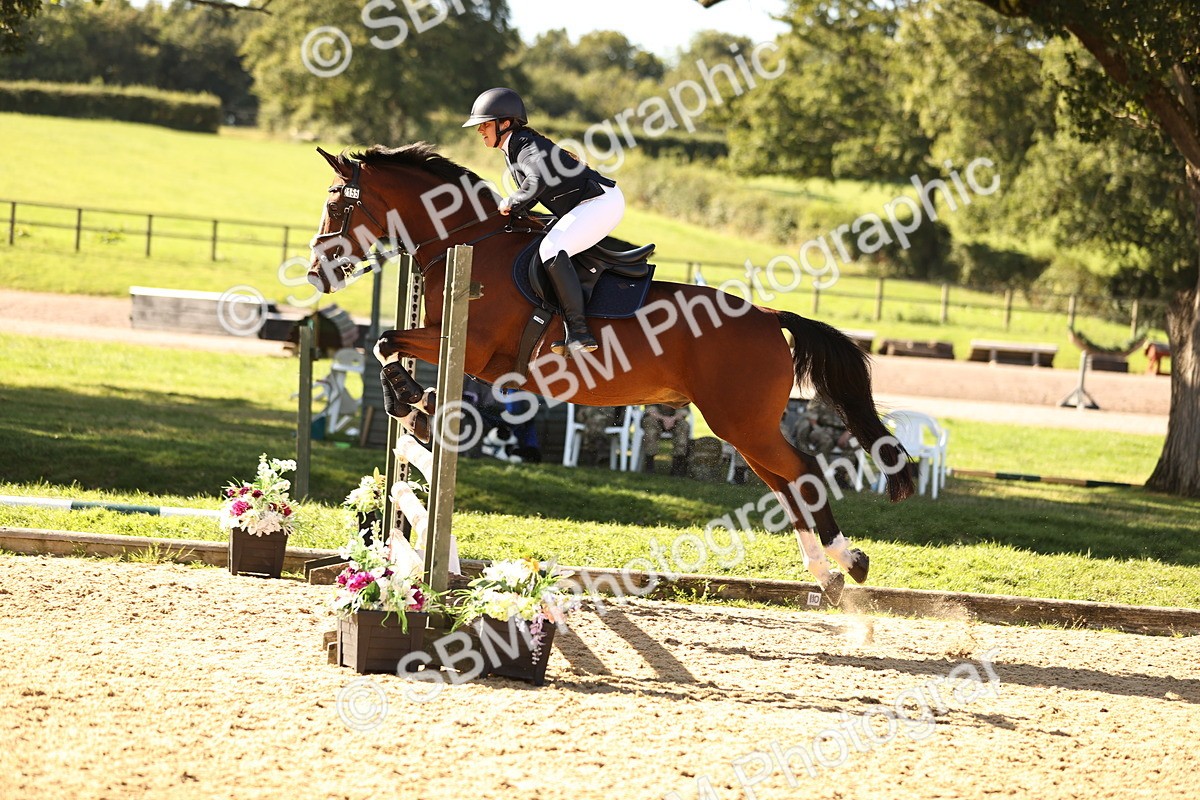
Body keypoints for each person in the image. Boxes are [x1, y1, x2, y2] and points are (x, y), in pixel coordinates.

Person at [463, 87, 625, 356]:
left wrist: (511, 201)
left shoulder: (526, 145)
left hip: (600, 203)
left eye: (485, 125)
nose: (480, 131)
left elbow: (537, 181)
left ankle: (579, 331)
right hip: (586, 204)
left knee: (552, 249)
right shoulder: (514, 147)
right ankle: (562, 324)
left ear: (505, 124)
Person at [640, 404, 691, 476]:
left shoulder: (680, 394)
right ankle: (649, 464)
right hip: (655, 419)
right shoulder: (654, 393)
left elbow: (683, 411)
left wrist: (672, 419)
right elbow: (650, 410)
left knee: (684, 426)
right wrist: (664, 419)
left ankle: (677, 465)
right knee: (650, 426)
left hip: (675, 420)